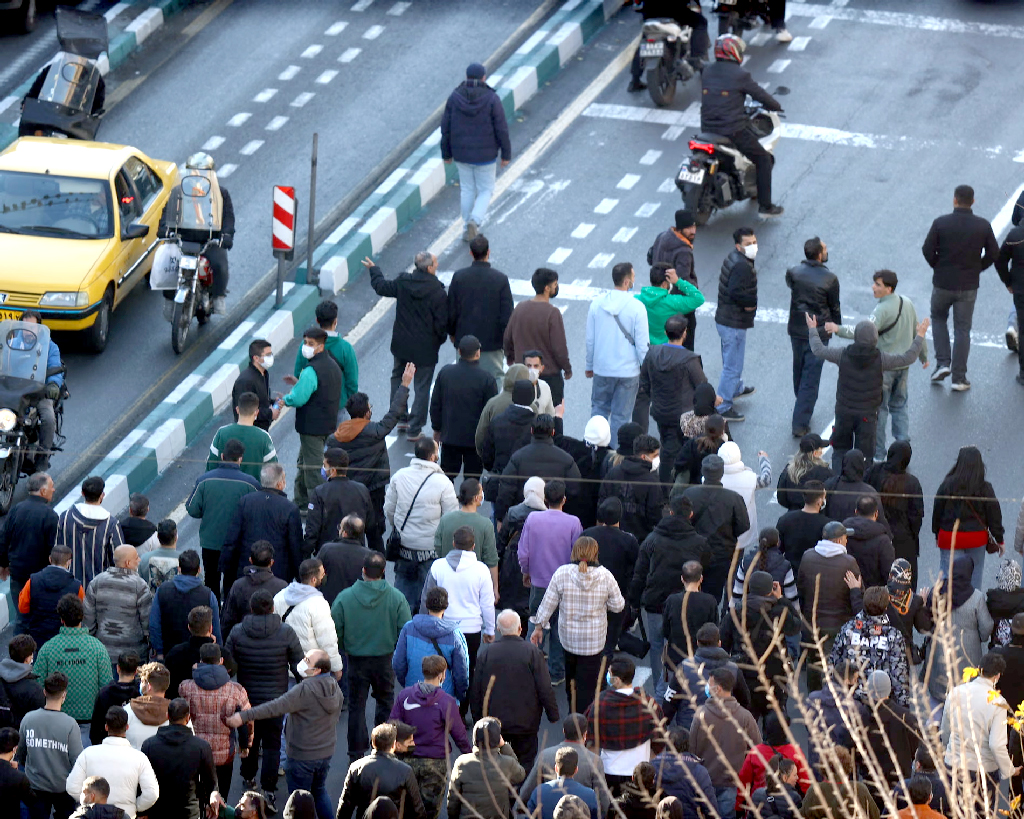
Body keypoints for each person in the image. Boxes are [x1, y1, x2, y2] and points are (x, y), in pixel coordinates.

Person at [226, 650, 342, 819]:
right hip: (325, 754)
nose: (303, 661)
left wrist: (242, 716)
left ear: (317, 670)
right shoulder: (334, 687)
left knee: (299, 802)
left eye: (307, 660)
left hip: (302, 756)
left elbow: (275, 707)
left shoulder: (304, 690)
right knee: (319, 792)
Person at [806, 313, 928, 471]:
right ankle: (861, 487)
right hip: (867, 417)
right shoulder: (881, 359)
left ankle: (836, 485)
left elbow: (818, 349)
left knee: (840, 450)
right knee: (865, 456)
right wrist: (920, 335)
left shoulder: (842, 354)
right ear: (875, 339)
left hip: (844, 413)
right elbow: (908, 358)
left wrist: (812, 330)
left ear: (855, 337)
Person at [827, 270, 928, 458]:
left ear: (888, 288)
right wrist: (924, 355)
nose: (873, 287)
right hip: (903, 367)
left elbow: (863, 332)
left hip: (885, 368)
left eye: (878, 285)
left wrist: (837, 329)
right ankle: (902, 448)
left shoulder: (881, 310)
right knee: (900, 406)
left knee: (880, 412)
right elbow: (918, 331)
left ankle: (879, 454)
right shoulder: (907, 303)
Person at [224, 589, 302, 805]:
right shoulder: (286, 632)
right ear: (273, 608)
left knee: (249, 739)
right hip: (276, 699)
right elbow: (298, 664)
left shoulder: (238, 632)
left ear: (251, 608)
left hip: (247, 698)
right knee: (272, 744)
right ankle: (269, 789)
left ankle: (249, 778)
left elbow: (229, 664)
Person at [332, 552, 411, 762]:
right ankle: (383, 747)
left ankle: (356, 754)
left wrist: (344, 647)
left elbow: (335, 630)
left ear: (363, 571)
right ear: (384, 572)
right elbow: (405, 630)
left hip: (356, 661)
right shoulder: (396, 597)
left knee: (356, 707)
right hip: (385, 660)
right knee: (385, 703)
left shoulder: (345, 597)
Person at [630, 494, 711, 701]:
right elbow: (708, 569)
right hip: (687, 603)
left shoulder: (652, 539)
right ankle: (686, 687)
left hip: (656, 602)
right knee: (686, 644)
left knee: (657, 646)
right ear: (691, 515)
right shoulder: (700, 543)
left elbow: (640, 573)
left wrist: (633, 601)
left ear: (671, 512)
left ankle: (660, 691)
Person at [531, 536, 625, 714]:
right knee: (589, 684)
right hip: (594, 641)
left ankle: (573, 713)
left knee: (571, 679)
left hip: (569, 639)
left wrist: (538, 627)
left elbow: (547, 604)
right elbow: (618, 605)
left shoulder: (562, 573)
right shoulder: (606, 576)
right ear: (595, 554)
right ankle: (586, 719)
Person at [923, 184, 1000, 391]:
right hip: (968, 285)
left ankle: (942, 363)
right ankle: (959, 378)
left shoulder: (941, 223)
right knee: (962, 329)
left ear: (954, 199)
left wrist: (938, 266)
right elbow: (994, 254)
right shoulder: (982, 225)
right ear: (973, 201)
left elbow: (927, 249)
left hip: (942, 283)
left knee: (938, 319)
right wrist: (977, 268)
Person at [329, 366, 413, 552]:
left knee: (353, 529)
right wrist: (405, 385)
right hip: (374, 490)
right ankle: (377, 569)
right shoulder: (375, 431)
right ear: (367, 413)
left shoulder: (335, 438)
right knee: (375, 533)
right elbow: (394, 413)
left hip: (349, 490)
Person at [364, 253, 448, 441]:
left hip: (402, 346)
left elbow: (381, 287)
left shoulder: (403, 282)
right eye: (435, 262)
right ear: (429, 268)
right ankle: (414, 428)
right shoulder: (438, 292)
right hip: (426, 349)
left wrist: (374, 270)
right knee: (422, 387)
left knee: (398, 378)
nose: (437, 264)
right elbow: (443, 324)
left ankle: (400, 417)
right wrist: (437, 341)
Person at [700, 35, 784, 216]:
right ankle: (766, 206)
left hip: (707, 129)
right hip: (732, 131)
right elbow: (760, 95)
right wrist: (776, 106)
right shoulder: (740, 75)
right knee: (763, 159)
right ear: (734, 52)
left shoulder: (707, 71)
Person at [470, 609, 559, 774]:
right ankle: (520, 796)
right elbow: (544, 687)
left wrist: (478, 718)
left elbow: (476, 689)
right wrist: (553, 714)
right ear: (520, 629)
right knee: (525, 763)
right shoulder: (532, 653)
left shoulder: (486, 653)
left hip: (494, 724)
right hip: (526, 723)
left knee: (495, 765)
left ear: (498, 629)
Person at [420, 526, 495, 713]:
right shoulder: (481, 570)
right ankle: (461, 712)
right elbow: (487, 603)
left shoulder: (437, 566)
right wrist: (490, 630)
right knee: (467, 672)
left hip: (442, 628)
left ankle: (440, 707)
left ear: (453, 544)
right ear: (474, 546)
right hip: (471, 630)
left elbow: (426, 598)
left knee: (440, 668)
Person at [518, 480, 584, 686]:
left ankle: (529, 668)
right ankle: (556, 672)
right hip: (565, 584)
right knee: (559, 628)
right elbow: (577, 555)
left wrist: (526, 571)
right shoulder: (574, 522)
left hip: (539, 582)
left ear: (544, 499)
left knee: (537, 623)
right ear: (564, 499)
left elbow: (524, 552)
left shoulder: (533, 518)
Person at [389, 655, 470, 818]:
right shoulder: (447, 702)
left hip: (406, 760)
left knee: (405, 807)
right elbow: (459, 734)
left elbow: (392, 726)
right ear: (442, 675)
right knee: (429, 811)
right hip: (436, 763)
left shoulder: (404, 696)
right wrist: (470, 756)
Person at [385, 438, 459, 611]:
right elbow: (451, 518)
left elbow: (389, 508)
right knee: (430, 600)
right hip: (431, 550)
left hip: (404, 547)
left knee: (403, 598)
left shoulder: (400, 476)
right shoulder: (443, 483)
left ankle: (402, 631)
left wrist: (398, 527)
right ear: (434, 456)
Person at [633, 315, 708, 484]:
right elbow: (702, 385)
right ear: (684, 333)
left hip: (661, 412)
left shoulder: (652, 353)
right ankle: (679, 487)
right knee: (687, 450)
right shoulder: (689, 359)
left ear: (666, 332)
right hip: (685, 415)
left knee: (667, 448)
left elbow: (644, 381)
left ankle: (666, 486)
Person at [440, 63, 511, 241]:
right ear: (483, 78)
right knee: (486, 189)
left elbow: (445, 128)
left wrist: (446, 153)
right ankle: (475, 220)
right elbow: (501, 128)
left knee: (467, 189)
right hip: (486, 156)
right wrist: (506, 154)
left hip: (461, 154)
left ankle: (466, 228)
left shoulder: (454, 97)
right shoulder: (491, 98)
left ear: (466, 76)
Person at [157, 152, 233, 314]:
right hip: (184, 240)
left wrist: (226, 236)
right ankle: (169, 298)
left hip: (209, 242)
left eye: (202, 173)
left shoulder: (221, 194)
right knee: (170, 265)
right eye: (193, 172)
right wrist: (164, 229)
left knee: (220, 265)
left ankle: (218, 296)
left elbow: (228, 218)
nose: (197, 176)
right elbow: (167, 214)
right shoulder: (178, 192)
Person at [186, 438, 261, 599]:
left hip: (210, 542)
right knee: (232, 583)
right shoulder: (251, 484)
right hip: (237, 544)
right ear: (240, 458)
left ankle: (212, 616)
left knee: (211, 581)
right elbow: (256, 513)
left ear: (222, 456)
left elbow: (192, 509)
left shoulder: (204, 480)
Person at [940, 652, 1014, 813]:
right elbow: (996, 745)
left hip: (954, 766)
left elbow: (945, 731)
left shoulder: (955, 692)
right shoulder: (999, 703)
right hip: (983, 772)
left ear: (979, 669)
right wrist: (1009, 770)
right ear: (997, 676)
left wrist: (947, 752)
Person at [721, 572, 800, 720]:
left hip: (745, 677)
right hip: (774, 677)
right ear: (771, 590)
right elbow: (796, 625)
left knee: (746, 725)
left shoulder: (736, 613)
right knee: (775, 724)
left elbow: (723, 644)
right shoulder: (779, 612)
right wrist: (782, 599)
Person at [586, 262, 650, 441]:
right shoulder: (637, 307)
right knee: (621, 417)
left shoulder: (597, 304)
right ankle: (614, 457)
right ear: (627, 281)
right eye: (634, 277)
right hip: (628, 372)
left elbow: (590, 340)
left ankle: (595, 449)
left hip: (602, 369)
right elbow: (642, 345)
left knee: (598, 412)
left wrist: (589, 365)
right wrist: (646, 371)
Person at [796, 521, 861, 692]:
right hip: (838, 624)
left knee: (814, 662)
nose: (847, 541)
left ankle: (814, 697)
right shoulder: (848, 562)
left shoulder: (808, 556)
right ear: (839, 540)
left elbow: (801, 589)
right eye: (845, 538)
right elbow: (857, 593)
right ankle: (834, 698)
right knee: (837, 663)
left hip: (812, 623)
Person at [687, 667, 760, 819]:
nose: (707, 686)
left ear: (718, 689)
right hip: (733, 784)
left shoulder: (700, 715)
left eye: (709, 683)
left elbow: (691, 752)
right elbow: (757, 750)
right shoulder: (745, 717)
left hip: (705, 782)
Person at [178, 643, 251, 797]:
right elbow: (247, 720)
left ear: (200, 661)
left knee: (197, 797)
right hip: (224, 755)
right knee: (221, 797)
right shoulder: (236, 690)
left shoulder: (186, 688)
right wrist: (246, 745)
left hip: (195, 752)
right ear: (221, 660)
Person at [786, 237, 842, 437]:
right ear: (819, 254)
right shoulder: (830, 279)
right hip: (818, 332)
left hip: (797, 329)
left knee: (799, 369)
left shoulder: (794, 272)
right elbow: (834, 305)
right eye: (825, 248)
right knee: (811, 376)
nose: (827, 251)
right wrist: (836, 325)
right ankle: (800, 422)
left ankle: (801, 403)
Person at [33, 595, 112, 734]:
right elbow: (106, 688)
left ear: (62, 619)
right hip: (90, 724)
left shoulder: (48, 648)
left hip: (56, 722)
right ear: (82, 617)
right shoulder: (98, 648)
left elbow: (37, 687)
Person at [283, 327, 343, 507]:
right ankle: (300, 502)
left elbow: (299, 398)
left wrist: (284, 400)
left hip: (311, 428)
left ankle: (318, 506)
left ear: (320, 346)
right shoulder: (333, 364)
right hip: (328, 423)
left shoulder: (311, 370)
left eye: (310, 344)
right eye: (305, 342)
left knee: (313, 469)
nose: (306, 347)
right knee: (303, 462)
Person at [923, 555, 993, 707]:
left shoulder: (937, 591)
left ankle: (935, 725)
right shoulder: (977, 598)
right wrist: (979, 638)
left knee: (940, 699)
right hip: (968, 659)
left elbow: (927, 622)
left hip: (941, 657)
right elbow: (986, 628)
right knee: (966, 701)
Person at [66, 706, 159, 819]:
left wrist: (88, 802)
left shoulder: (88, 754)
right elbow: (152, 794)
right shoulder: (139, 758)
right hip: (126, 814)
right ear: (127, 727)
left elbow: (72, 787)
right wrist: (134, 806)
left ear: (106, 727)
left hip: (94, 815)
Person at [680, 454, 748, 606]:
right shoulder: (733, 498)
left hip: (694, 552)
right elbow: (744, 525)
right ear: (721, 473)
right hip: (722, 554)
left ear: (703, 472)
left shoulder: (689, 494)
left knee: (691, 591)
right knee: (714, 595)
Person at [585, 657, 663, 790]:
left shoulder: (601, 703)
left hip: (609, 771)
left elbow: (589, 738)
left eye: (609, 673)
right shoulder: (648, 703)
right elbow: (659, 739)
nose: (607, 676)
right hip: (640, 772)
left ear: (617, 680)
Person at [221, 463, 304, 587]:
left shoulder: (245, 502)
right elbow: (295, 546)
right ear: (280, 484)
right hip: (278, 575)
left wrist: (226, 567)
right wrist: (299, 576)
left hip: (247, 571)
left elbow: (232, 537)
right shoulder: (290, 509)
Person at [932, 445, 1003, 586]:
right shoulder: (984, 488)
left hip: (949, 537)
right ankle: (973, 607)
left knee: (948, 577)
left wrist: (937, 534)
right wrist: (999, 539)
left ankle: (947, 606)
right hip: (976, 538)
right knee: (975, 577)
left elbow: (937, 512)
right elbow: (994, 514)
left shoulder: (946, 485)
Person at [829, 585, 911, 706]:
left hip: (850, 702)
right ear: (886, 607)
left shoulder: (848, 629)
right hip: (880, 703)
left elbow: (834, 663)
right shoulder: (893, 636)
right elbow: (899, 674)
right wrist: (903, 710)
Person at [430, 335, 498, 478]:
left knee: (447, 476)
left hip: (450, 437)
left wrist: (437, 429)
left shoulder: (446, 373)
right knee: (472, 478)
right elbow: (491, 412)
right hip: (475, 441)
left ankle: (446, 500)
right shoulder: (487, 379)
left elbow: (436, 404)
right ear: (478, 353)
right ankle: (469, 501)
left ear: (459, 352)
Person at [15, 672, 81, 819]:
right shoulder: (70, 724)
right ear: (64, 694)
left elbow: (20, 754)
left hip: (36, 786)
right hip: (63, 788)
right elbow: (77, 761)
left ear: (45, 692)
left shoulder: (28, 719)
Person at [448, 235, 514, 380]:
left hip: (464, 341)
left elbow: (451, 310)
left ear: (471, 253)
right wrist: (507, 342)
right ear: (488, 252)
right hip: (492, 343)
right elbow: (507, 316)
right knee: (495, 377)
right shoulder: (500, 279)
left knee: (463, 378)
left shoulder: (459, 277)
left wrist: (453, 334)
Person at [504, 269, 572, 406]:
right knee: (551, 417)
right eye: (555, 284)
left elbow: (507, 338)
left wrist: (511, 357)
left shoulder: (520, 309)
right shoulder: (552, 313)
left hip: (522, 374)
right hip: (548, 376)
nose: (556, 287)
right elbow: (559, 348)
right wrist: (567, 368)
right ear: (547, 288)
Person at [0, 472, 59, 632]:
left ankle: (19, 654)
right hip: (41, 577)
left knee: (21, 617)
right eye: (51, 487)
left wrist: (3, 564)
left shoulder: (16, 510)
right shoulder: (50, 516)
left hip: (18, 573)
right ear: (42, 490)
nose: (54, 490)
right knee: (41, 619)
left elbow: (4, 538)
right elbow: (53, 549)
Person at [495, 414, 581, 523]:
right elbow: (575, 491)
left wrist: (500, 518)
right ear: (553, 432)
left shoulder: (518, 457)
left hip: (523, 519)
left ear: (531, 431)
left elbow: (506, 490)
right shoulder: (566, 460)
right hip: (555, 520)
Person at [140, 698, 216, 819]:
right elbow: (210, 782)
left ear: (167, 716)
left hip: (158, 812)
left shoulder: (149, 745)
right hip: (189, 812)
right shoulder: (201, 747)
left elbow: (143, 781)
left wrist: (142, 811)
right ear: (188, 717)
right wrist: (209, 802)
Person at [393, 586, 470, 705]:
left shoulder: (409, 628)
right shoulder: (455, 636)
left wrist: (408, 684)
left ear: (426, 605)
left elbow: (398, 664)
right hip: (443, 698)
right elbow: (462, 673)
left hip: (413, 694)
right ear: (445, 607)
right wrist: (459, 696)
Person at [582, 499, 639, 657]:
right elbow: (635, 569)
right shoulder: (629, 540)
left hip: (589, 591)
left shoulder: (588, 534)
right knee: (611, 636)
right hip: (617, 593)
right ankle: (604, 669)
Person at [522, 714, 609, 817]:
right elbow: (604, 801)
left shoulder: (545, 755)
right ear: (585, 734)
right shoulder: (594, 760)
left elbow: (526, 793)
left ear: (564, 731)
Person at [865, 441, 925, 588]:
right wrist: (912, 535)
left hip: (875, 532)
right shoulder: (912, 483)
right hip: (903, 539)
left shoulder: (874, 472)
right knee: (904, 582)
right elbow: (916, 515)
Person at [714, 227, 759, 423]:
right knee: (732, 366)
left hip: (727, 319)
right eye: (748, 244)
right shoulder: (741, 265)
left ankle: (736, 388)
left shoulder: (735, 258)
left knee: (730, 361)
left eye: (754, 242)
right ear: (738, 246)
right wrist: (750, 304)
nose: (753, 246)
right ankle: (723, 406)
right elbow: (735, 292)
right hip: (733, 322)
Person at [336, 723, 425, 819]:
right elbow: (417, 809)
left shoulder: (356, 768)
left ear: (373, 743)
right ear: (394, 745)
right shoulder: (405, 771)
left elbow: (345, 806)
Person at [273, 558, 343, 678]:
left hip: (285, 666)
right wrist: (336, 667)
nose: (324, 576)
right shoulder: (318, 604)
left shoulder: (280, 596)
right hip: (311, 669)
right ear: (314, 579)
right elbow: (327, 640)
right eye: (322, 574)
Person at [84, 546, 152, 668]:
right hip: (133, 655)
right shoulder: (140, 586)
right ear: (128, 563)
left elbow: (88, 618)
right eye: (136, 557)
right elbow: (147, 621)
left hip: (103, 653)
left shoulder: (97, 582)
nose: (140, 560)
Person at [446, 717, 526, 819]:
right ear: (498, 739)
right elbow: (520, 775)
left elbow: (453, 796)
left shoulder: (462, 762)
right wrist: (504, 747)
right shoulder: (507, 762)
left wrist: (452, 815)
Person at [149, 550, 221, 660]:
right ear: (199, 570)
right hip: (200, 656)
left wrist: (159, 651)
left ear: (179, 569)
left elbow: (154, 624)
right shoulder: (208, 595)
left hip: (169, 654)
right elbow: (216, 628)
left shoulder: (162, 591)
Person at [55, 476, 125, 588]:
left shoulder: (65, 517)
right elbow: (119, 560)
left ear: (82, 493)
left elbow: (56, 550)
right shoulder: (111, 524)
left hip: (67, 586)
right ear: (102, 495)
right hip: (99, 589)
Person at [303, 448, 373, 556]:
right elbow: (372, 527)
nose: (323, 469)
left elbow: (312, 530)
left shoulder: (320, 492)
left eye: (325, 465)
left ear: (333, 470)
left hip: (327, 554)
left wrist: (305, 557)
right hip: (357, 554)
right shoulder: (362, 490)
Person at [648, 212, 702, 349]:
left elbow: (650, 257)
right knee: (686, 350)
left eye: (694, 227)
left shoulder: (661, 237)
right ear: (679, 228)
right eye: (689, 228)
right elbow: (683, 281)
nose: (693, 231)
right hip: (679, 308)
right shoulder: (684, 251)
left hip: (659, 297)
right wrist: (694, 286)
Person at [598, 434, 664, 545]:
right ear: (643, 457)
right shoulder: (652, 481)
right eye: (655, 455)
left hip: (612, 537)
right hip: (640, 540)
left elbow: (602, 502)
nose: (657, 459)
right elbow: (655, 514)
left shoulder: (613, 472)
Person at [289, 299, 358, 407]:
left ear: (317, 320)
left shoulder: (305, 345)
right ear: (335, 321)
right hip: (337, 407)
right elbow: (352, 383)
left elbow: (298, 374)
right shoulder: (346, 348)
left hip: (311, 407)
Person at [479, 380, 537, 504]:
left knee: (498, 517)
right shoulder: (537, 425)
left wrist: (494, 469)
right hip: (528, 486)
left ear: (513, 396)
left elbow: (487, 454)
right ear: (532, 397)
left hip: (500, 481)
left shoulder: (497, 421)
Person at [165, 604, 235, 701]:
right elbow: (232, 671)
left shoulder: (174, 654)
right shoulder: (223, 654)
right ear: (211, 628)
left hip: (183, 708)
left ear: (189, 627)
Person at [18, 545, 83, 649]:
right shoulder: (76, 586)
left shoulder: (33, 581)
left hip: (38, 637)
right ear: (69, 562)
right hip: (64, 640)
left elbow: (22, 607)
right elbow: (80, 613)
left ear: (49, 559)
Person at [663, 564, 721, 675]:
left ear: (682, 578)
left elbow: (666, 630)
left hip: (676, 657)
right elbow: (714, 628)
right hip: (701, 658)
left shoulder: (672, 600)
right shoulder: (709, 601)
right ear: (701, 579)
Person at [221, 541, 287, 638]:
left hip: (244, 643)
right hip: (275, 643)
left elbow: (228, 620)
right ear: (271, 562)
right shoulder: (282, 587)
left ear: (250, 560)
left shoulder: (238, 586)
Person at [207, 393, 278, 481]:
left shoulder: (221, 433)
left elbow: (210, 467)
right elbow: (273, 472)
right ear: (256, 412)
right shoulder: (264, 437)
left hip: (225, 491)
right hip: (254, 492)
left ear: (237, 409)